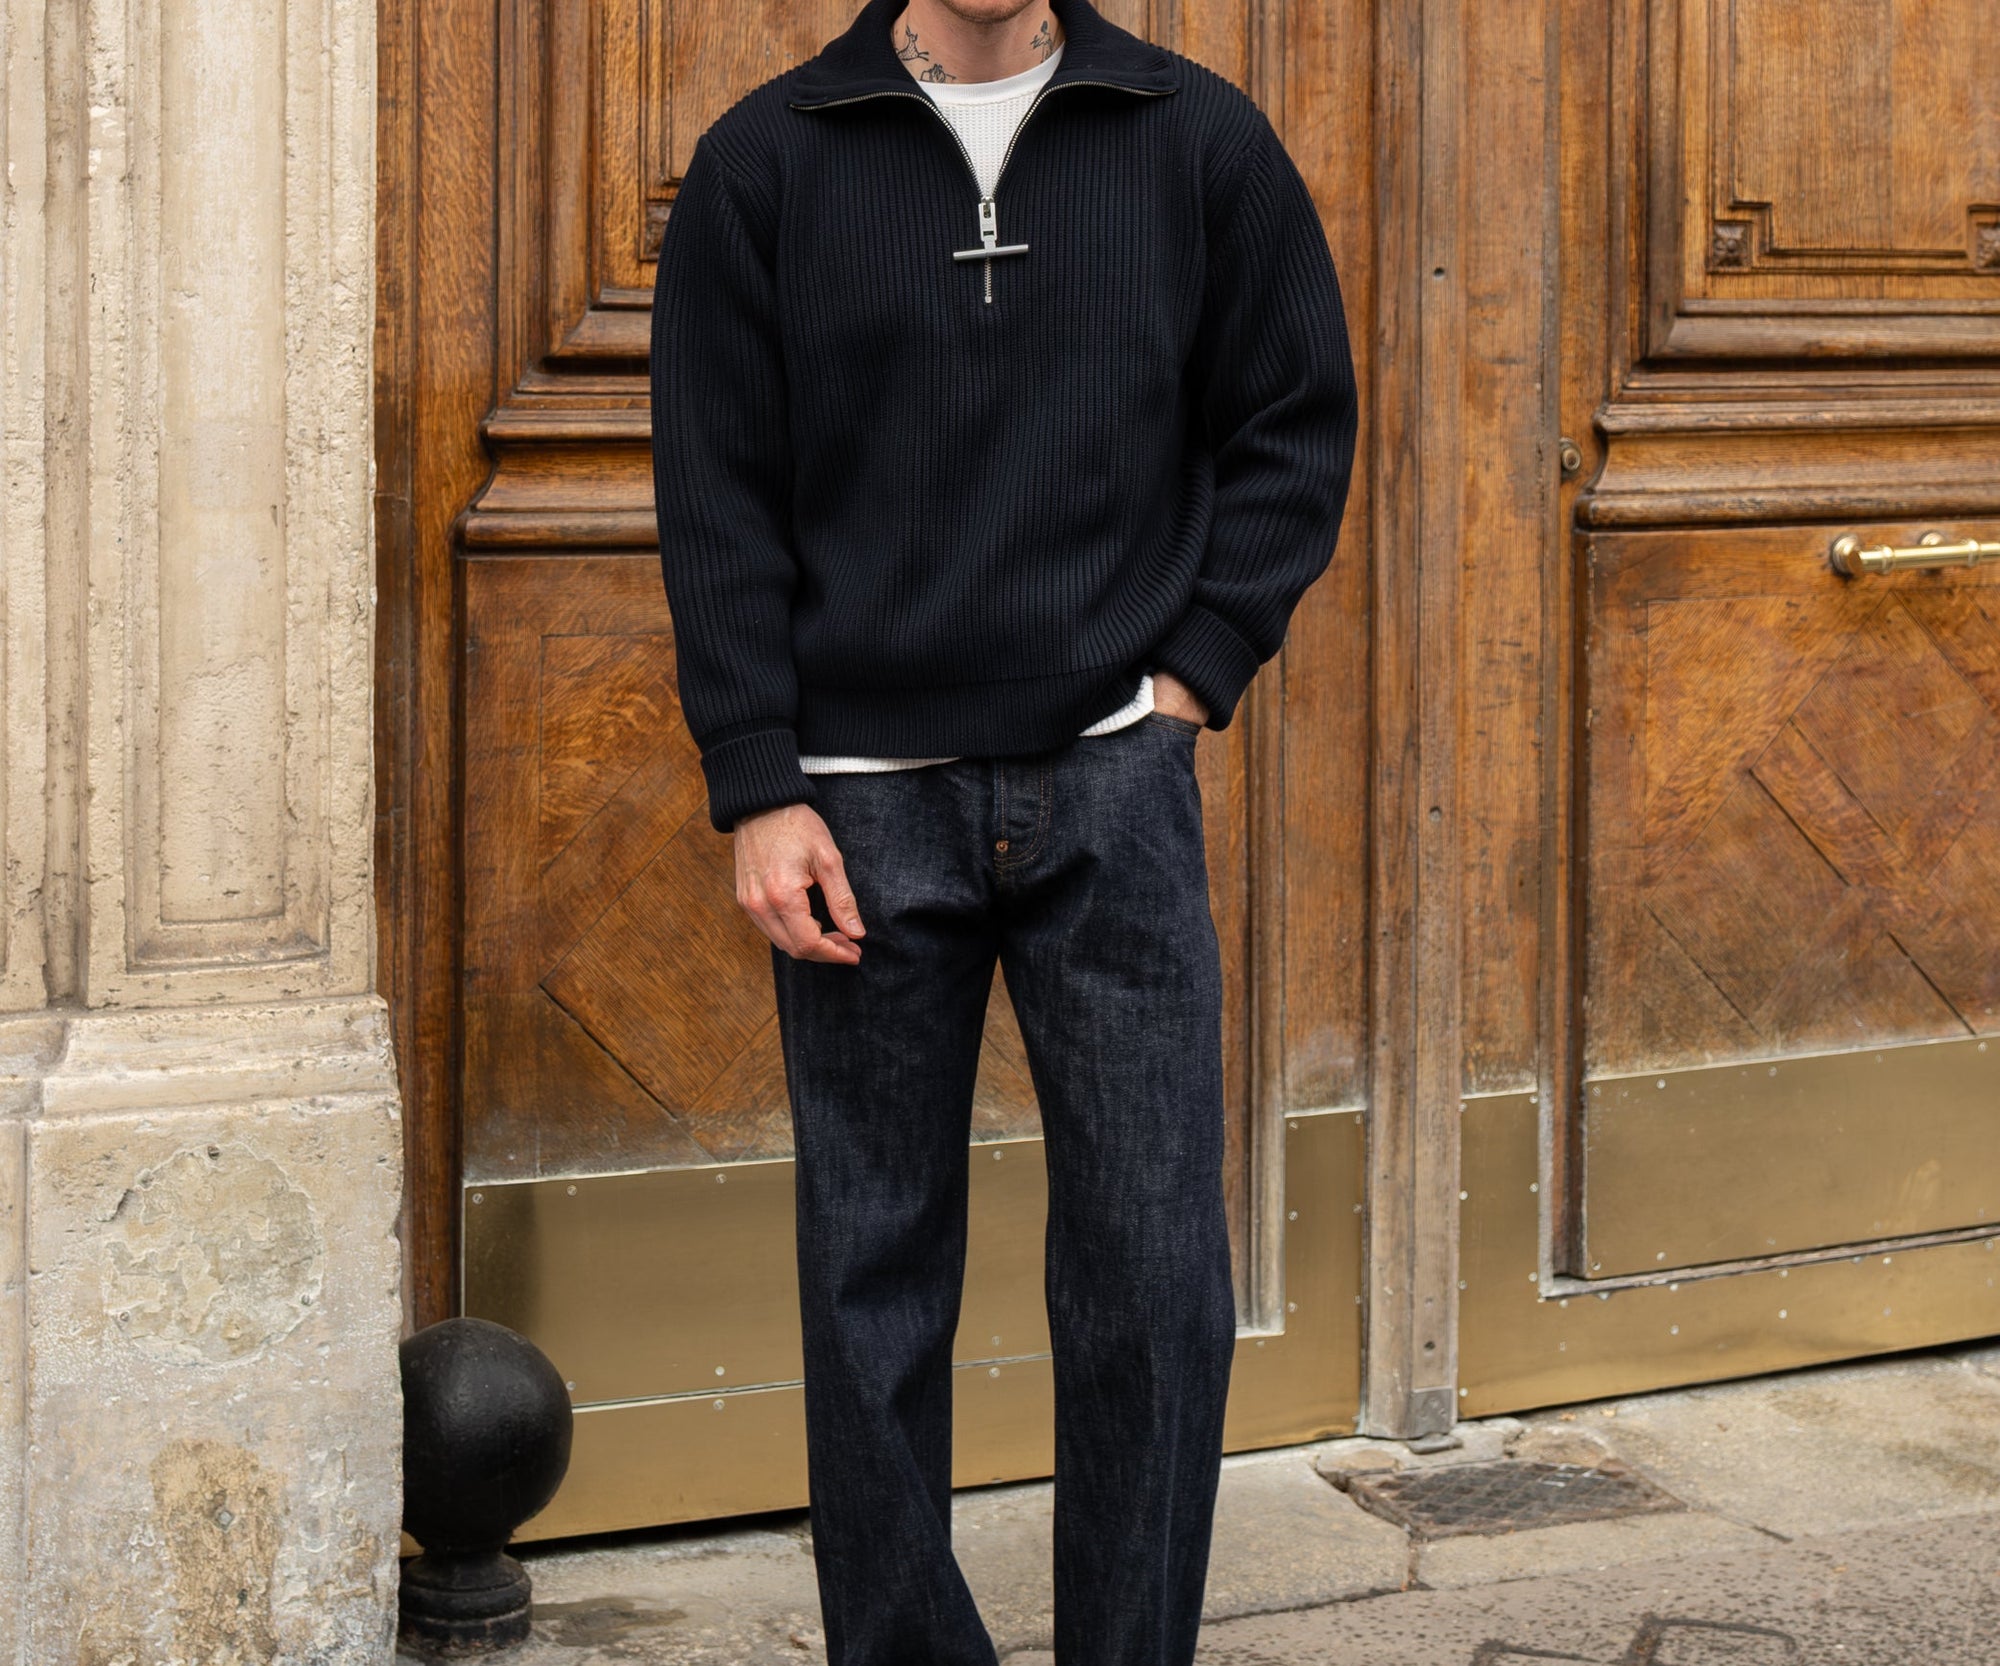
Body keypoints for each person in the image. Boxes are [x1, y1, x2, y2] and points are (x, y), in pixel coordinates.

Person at [648, 0, 1357, 1658]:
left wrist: (1193, 672)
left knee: (1157, 1275)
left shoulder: (1198, 140)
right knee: (871, 1283)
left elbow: (1293, 420)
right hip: (855, 810)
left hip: (1110, 784)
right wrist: (758, 781)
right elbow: (714, 489)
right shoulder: (765, 164)